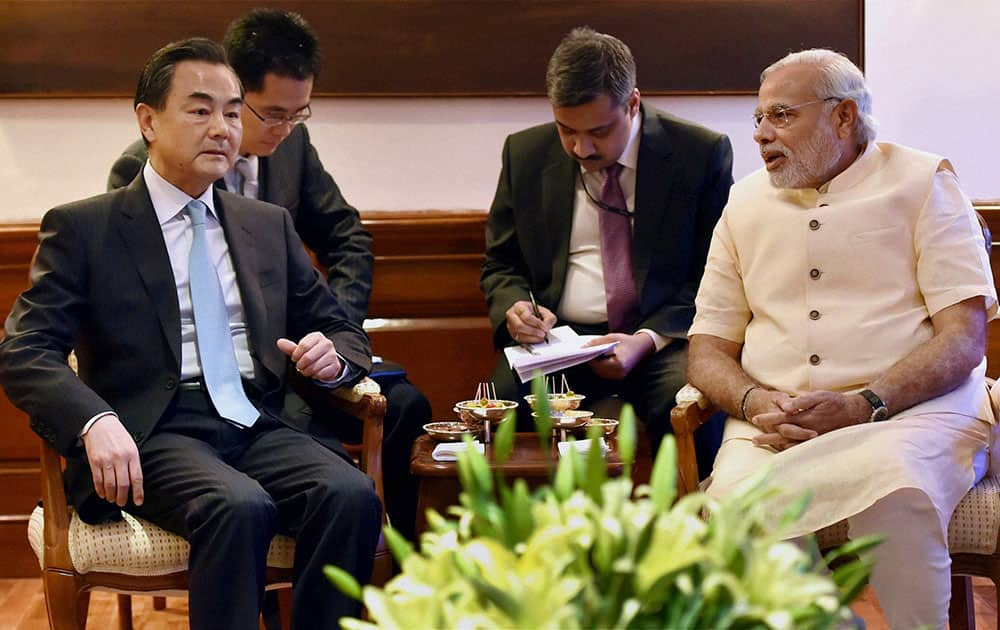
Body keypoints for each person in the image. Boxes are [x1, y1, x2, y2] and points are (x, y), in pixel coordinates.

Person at [0, 38, 381, 629]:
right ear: (148, 121)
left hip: (256, 419)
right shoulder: (86, 228)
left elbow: (336, 324)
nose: (223, 128)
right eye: (200, 110)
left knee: (352, 495)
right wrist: (94, 422)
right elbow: (24, 349)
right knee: (238, 506)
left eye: (232, 111)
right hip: (152, 430)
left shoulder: (266, 225)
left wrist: (335, 358)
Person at [687, 48, 996, 628]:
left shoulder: (924, 183)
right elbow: (707, 348)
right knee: (741, 511)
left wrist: (864, 404)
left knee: (895, 497)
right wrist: (757, 403)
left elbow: (963, 338)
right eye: (758, 118)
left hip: (912, 414)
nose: (760, 134)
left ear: (843, 116)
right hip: (774, 422)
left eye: (780, 115)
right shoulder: (743, 202)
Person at [107, 8, 428, 540]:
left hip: (295, 357)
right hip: (207, 384)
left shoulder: (292, 148)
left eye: (298, 115)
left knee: (404, 407)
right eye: (272, 114)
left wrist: (329, 333)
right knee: (249, 487)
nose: (284, 129)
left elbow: (346, 236)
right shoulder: (145, 169)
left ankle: (393, 569)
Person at [481, 27, 733, 455]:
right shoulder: (525, 154)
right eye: (566, 130)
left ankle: (694, 519)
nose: (580, 148)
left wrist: (646, 339)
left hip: (662, 340)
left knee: (693, 408)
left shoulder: (698, 154)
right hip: (559, 344)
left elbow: (714, 276)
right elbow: (501, 264)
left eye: (598, 131)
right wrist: (515, 307)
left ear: (632, 102)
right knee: (499, 409)